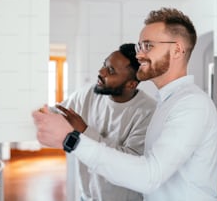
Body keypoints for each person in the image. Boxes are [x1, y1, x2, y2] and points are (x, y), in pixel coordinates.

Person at [33, 7, 217, 201]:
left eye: (148, 46)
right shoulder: (166, 102)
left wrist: (72, 140)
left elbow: (150, 176)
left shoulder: (191, 104)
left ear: (177, 50)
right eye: (140, 47)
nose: (139, 55)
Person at [45, 43, 157, 201]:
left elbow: (131, 163)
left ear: (131, 84)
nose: (101, 72)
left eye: (111, 71)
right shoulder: (89, 93)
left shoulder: (148, 112)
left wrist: (84, 131)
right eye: (105, 64)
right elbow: (58, 113)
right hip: (86, 196)